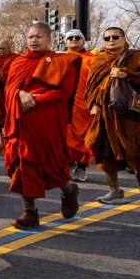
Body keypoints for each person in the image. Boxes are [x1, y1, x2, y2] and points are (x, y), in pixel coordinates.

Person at [3, 23, 81, 229]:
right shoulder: (19, 62)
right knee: (22, 164)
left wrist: (35, 99)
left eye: (39, 36)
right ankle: (29, 211)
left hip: (48, 121)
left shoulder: (62, 61)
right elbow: (9, 88)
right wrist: (20, 93)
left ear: (49, 39)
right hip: (22, 121)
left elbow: (63, 92)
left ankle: (68, 190)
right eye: (30, 37)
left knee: (51, 163)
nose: (34, 40)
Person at [85, 27, 140, 203]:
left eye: (115, 37)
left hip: (131, 116)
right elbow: (91, 86)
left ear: (124, 39)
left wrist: (128, 75)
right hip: (105, 115)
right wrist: (93, 105)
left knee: (135, 152)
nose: (111, 40)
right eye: (107, 38)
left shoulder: (136, 57)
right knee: (105, 153)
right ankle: (114, 191)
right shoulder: (99, 60)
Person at [63, 29, 96, 183]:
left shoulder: (92, 59)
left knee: (86, 138)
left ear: (83, 40)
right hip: (65, 104)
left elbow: (98, 84)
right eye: (70, 37)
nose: (74, 39)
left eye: (77, 37)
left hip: (86, 106)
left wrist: (96, 103)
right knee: (65, 136)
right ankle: (68, 163)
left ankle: (81, 168)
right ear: (65, 41)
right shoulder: (59, 58)